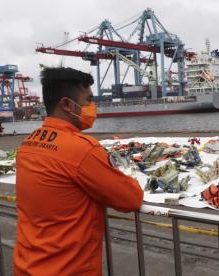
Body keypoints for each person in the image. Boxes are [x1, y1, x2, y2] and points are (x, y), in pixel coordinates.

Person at [14, 67, 144, 275]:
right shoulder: (82, 149)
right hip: (69, 269)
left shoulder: (28, 143)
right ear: (66, 104)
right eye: (88, 101)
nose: (92, 108)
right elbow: (131, 199)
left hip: (27, 265)